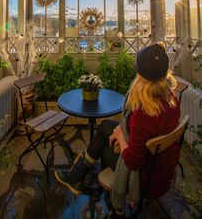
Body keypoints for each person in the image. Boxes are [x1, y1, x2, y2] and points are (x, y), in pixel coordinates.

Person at [54, 42, 180, 216]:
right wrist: (120, 131)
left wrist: (121, 137)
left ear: (141, 75)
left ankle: (94, 187)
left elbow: (133, 162)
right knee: (106, 126)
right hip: (161, 167)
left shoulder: (144, 112)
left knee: (104, 146)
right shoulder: (170, 97)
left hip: (145, 177)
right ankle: (78, 174)